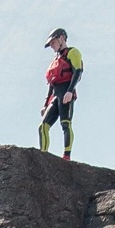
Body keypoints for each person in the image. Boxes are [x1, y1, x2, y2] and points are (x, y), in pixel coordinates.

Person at [39, 28, 83, 161]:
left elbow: (78, 71)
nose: (52, 46)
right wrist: (46, 104)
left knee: (65, 123)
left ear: (62, 38)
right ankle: (43, 155)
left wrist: (70, 90)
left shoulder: (73, 52)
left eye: (53, 42)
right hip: (56, 95)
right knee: (43, 127)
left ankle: (66, 155)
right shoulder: (55, 61)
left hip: (66, 92)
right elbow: (51, 84)